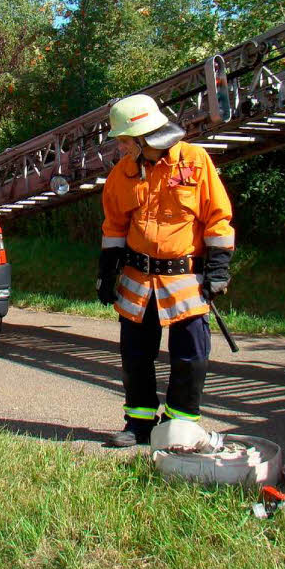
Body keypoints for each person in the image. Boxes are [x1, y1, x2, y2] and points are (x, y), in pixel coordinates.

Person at [97, 94, 235, 447]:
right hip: (138, 279)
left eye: (125, 140)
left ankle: (180, 424)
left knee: (191, 355)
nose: (122, 147)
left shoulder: (195, 161)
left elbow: (217, 217)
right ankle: (139, 423)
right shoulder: (122, 174)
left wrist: (219, 269)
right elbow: (113, 228)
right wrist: (106, 273)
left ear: (144, 138)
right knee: (136, 354)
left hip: (185, 279)